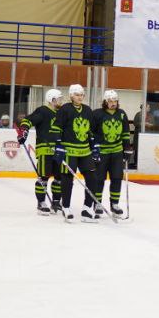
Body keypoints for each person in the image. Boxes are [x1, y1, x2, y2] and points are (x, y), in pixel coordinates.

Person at [57, 83, 102, 223]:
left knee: (93, 178)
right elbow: (57, 128)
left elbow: (90, 131)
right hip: (69, 149)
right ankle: (66, 207)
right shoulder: (65, 109)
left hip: (84, 151)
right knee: (67, 179)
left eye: (82, 94)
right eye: (77, 95)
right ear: (71, 96)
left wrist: (94, 146)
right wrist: (58, 146)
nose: (80, 97)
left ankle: (87, 209)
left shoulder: (88, 110)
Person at [17, 88, 63, 216]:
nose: (61, 101)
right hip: (45, 149)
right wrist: (24, 131)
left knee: (59, 178)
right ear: (52, 99)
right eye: (59, 99)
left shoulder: (62, 113)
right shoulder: (43, 111)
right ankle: (41, 203)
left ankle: (56, 202)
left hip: (59, 149)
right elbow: (28, 120)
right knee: (44, 177)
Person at [92, 90, 133, 216]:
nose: (113, 103)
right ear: (105, 102)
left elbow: (126, 132)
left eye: (115, 101)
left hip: (117, 152)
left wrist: (127, 148)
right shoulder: (97, 114)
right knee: (99, 179)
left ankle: (114, 204)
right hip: (102, 152)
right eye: (110, 101)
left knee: (116, 178)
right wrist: (94, 147)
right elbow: (91, 132)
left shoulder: (121, 114)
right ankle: (97, 203)